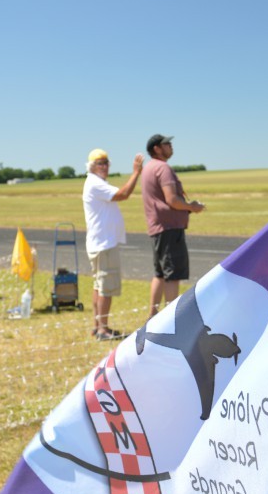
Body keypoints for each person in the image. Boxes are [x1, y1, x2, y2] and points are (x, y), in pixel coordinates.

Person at [82, 148, 144, 340]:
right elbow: (123, 194)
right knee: (105, 288)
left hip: (100, 243)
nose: (105, 166)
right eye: (100, 163)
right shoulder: (95, 183)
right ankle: (103, 329)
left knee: (99, 285)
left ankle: (97, 325)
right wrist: (136, 173)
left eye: (107, 162)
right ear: (92, 167)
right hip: (104, 244)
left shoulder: (96, 183)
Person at [141, 134, 205, 318]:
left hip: (157, 228)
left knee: (160, 273)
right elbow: (172, 200)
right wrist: (192, 207)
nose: (171, 146)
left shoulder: (148, 168)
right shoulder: (163, 168)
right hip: (169, 229)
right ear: (157, 149)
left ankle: (153, 314)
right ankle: (171, 319)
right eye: (167, 144)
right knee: (172, 275)